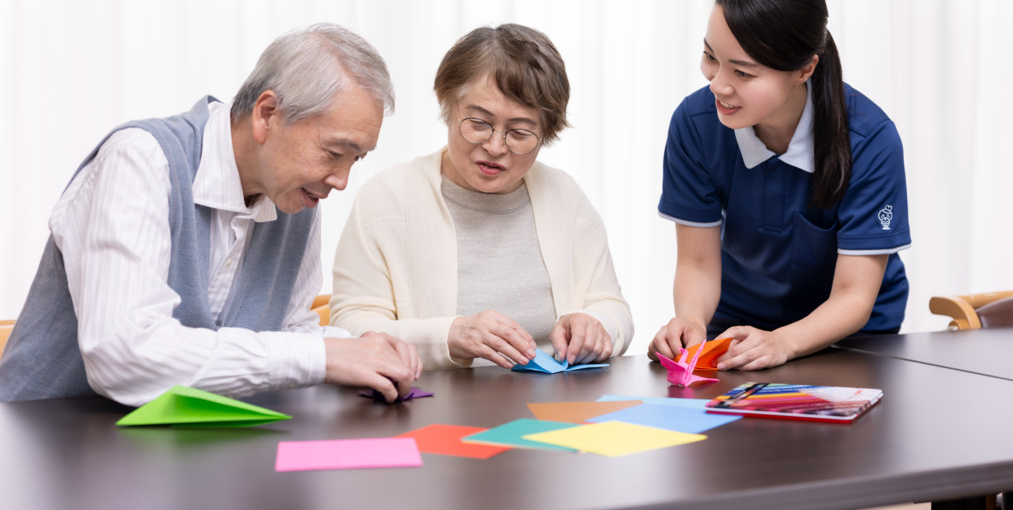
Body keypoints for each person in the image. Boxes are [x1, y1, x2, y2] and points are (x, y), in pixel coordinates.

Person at [0, 23, 422, 405]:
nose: (342, 180)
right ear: (267, 114)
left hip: (176, 458)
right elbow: (124, 353)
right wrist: (324, 355)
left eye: (357, 159)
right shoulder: (141, 161)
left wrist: (361, 348)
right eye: (334, 152)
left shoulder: (296, 196)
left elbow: (286, 336)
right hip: (51, 454)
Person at [650, 0, 911, 371]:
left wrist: (784, 342)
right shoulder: (696, 123)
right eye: (709, 57)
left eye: (742, 72)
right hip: (738, 333)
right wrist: (691, 321)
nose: (718, 84)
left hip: (853, 342)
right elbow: (697, 262)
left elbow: (853, 295)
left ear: (805, 69)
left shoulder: (869, 140)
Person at [330, 24, 633, 370]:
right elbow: (350, 328)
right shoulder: (386, 200)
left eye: (520, 132)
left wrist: (597, 325)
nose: (495, 147)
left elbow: (614, 309)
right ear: (449, 106)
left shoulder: (565, 198)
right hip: (433, 411)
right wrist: (450, 335)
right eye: (478, 122)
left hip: (553, 409)